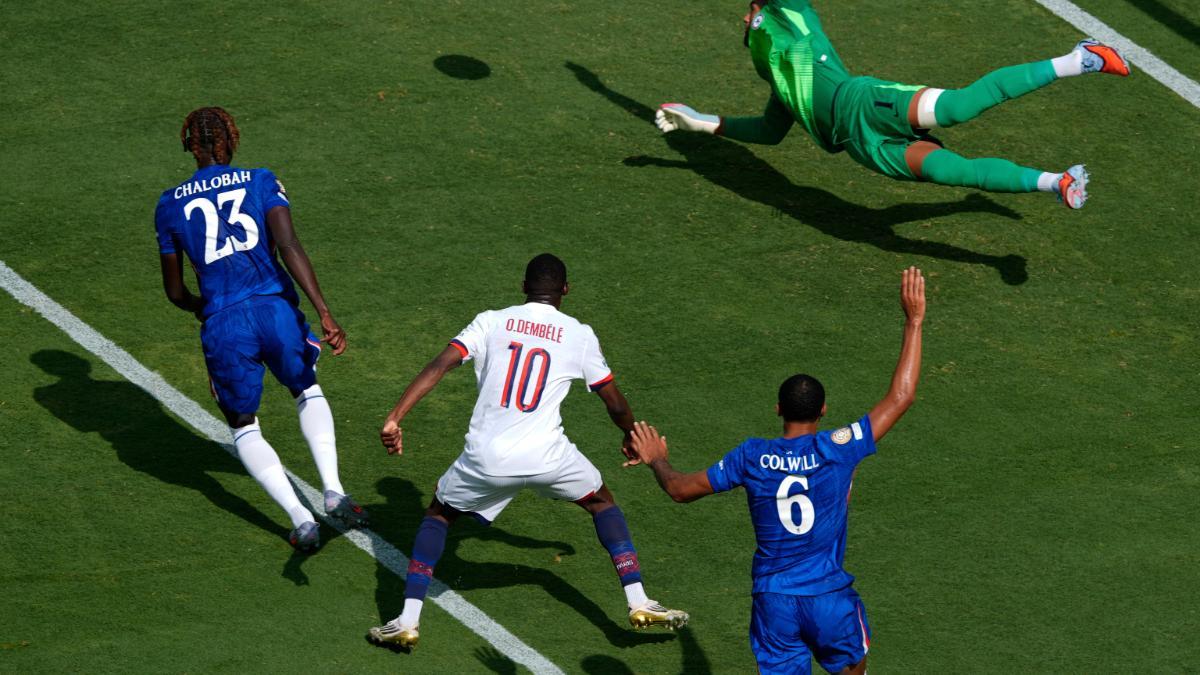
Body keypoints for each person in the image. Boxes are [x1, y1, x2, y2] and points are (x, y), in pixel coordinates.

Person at [366, 253, 688, 650]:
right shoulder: (578, 334)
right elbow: (615, 402)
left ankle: (408, 620)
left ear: (523, 287)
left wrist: (395, 416)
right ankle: (639, 601)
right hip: (548, 457)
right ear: (565, 290)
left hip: (486, 460)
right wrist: (629, 434)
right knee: (602, 502)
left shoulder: (491, 320)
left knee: (439, 514)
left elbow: (440, 364)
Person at [627, 267, 927, 674]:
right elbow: (902, 395)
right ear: (823, 411)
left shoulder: (751, 457)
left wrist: (655, 458)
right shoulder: (839, 448)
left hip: (775, 603)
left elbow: (680, 490)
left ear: (778, 410)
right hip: (829, 599)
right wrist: (913, 320)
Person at [654, 0, 1131, 209]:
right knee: (956, 173)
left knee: (960, 107)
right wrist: (701, 124)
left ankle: (1079, 59)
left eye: (749, 10)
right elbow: (769, 131)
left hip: (863, 103)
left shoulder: (791, 15)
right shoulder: (773, 75)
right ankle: (1059, 182)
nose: (742, 16)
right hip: (861, 147)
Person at [154, 106, 368, 553]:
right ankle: (332, 488)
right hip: (274, 307)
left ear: (189, 146)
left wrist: (202, 308)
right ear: (231, 140)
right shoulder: (261, 180)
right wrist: (324, 312)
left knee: (242, 423)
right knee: (306, 387)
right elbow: (288, 244)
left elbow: (174, 291)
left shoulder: (169, 204)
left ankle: (299, 519)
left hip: (224, 321)